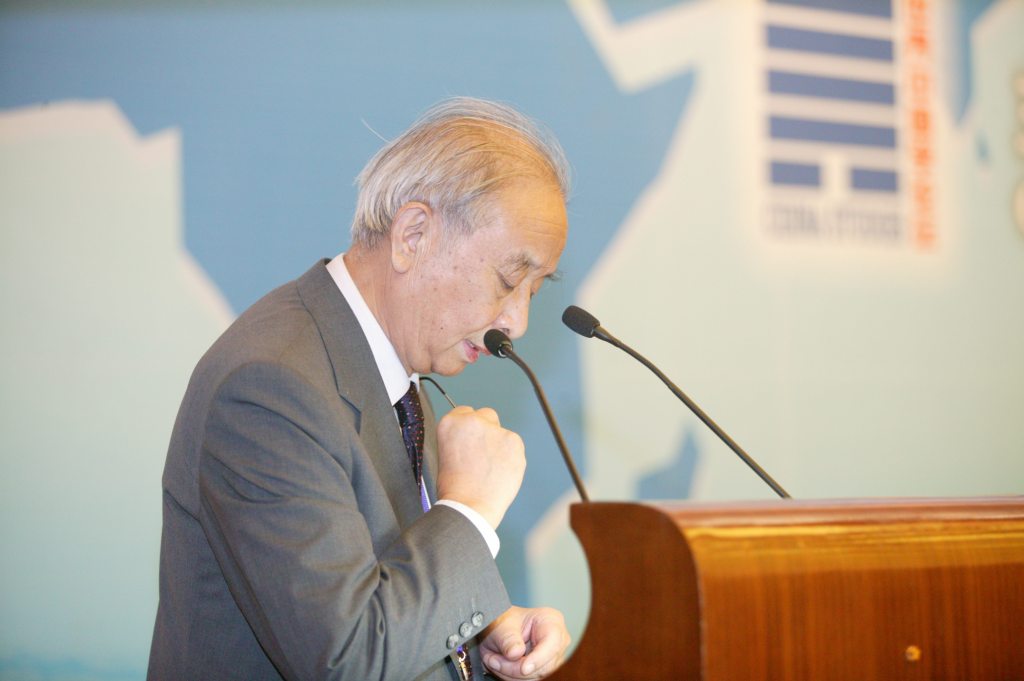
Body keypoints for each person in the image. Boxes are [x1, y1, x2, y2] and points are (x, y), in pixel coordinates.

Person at [147, 97, 572, 681]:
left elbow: (383, 591)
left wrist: (483, 629)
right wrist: (471, 513)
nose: (518, 322)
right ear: (413, 235)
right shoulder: (270, 389)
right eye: (507, 280)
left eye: (535, 291)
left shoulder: (395, 377)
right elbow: (347, 659)